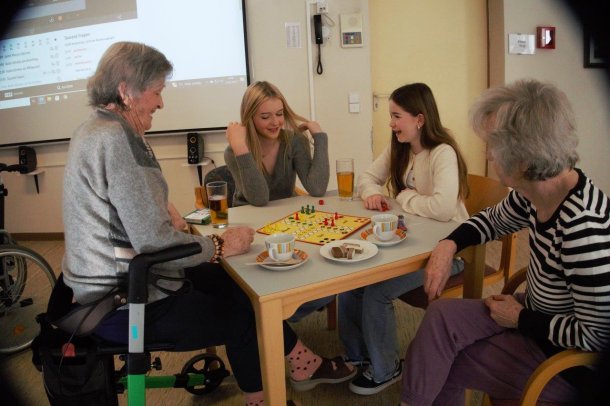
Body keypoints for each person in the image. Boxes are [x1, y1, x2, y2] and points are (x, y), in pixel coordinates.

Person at [61, 42, 353, 406]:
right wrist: (217, 245)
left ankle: (301, 363)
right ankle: (271, 392)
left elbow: (122, 210)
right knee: (245, 313)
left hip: (106, 285)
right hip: (126, 301)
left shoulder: (94, 129)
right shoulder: (118, 140)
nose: (161, 103)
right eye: (157, 92)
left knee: (237, 284)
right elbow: (154, 242)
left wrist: (162, 210)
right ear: (125, 91)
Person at [400, 79, 610, 405]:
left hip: (563, 362)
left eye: (493, 147)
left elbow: (596, 336)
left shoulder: (583, 228)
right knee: (440, 316)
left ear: (525, 157)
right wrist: (447, 245)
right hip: (536, 310)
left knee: (450, 358)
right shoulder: (537, 191)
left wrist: (520, 319)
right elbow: (490, 221)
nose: (487, 154)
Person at [338, 82, 469, 395]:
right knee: (352, 282)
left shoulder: (443, 153)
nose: (391, 123)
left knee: (377, 291)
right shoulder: (400, 147)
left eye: (397, 116)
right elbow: (367, 179)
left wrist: (404, 197)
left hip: (448, 254)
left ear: (419, 119)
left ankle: (386, 369)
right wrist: (372, 194)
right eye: (391, 116)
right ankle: (358, 354)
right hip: (412, 244)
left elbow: (443, 209)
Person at [224, 81, 336, 323]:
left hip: (285, 221)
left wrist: (320, 137)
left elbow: (317, 187)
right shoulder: (235, 150)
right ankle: (270, 319)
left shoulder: (293, 141)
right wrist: (240, 147)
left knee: (326, 278)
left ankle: (278, 318)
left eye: (279, 114)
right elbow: (259, 198)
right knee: (258, 285)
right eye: (265, 117)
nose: (275, 122)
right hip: (250, 224)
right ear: (250, 118)